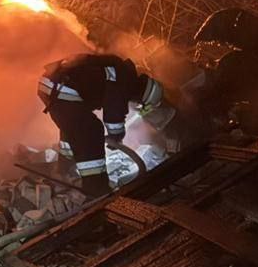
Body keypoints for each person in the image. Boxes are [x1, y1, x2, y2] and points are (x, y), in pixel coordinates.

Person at [37, 53, 166, 196]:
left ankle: (64, 169)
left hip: (50, 85)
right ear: (144, 95)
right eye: (141, 103)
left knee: (75, 128)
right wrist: (116, 137)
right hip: (61, 89)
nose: (136, 104)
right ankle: (96, 189)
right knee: (91, 131)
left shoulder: (121, 71)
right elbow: (113, 114)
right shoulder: (124, 80)